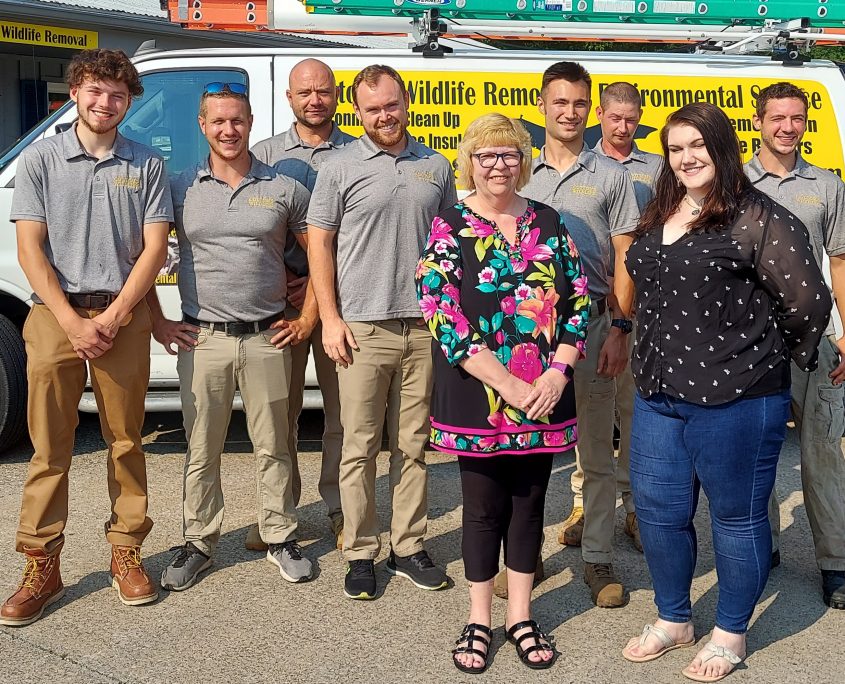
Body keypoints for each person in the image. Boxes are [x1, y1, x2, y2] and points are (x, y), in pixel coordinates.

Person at [622, 102, 830, 682]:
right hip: (658, 389)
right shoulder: (661, 208)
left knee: (735, 518)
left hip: (737, 397)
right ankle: (673, 619)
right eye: (675, 147)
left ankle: (731, 632)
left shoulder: (757, 217)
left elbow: (808, 302)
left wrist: (762, 355)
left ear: (722, 148)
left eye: (698, 145)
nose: (687, 157)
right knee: (660, 512)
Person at [1, 48, 172, 626]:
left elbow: (153, 250)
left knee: (126, 441)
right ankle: (42, 564)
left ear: (129, 103)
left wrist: (118, 315)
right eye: (96, 91)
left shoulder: (146, 164)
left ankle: (126, 550)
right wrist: (73, 323)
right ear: (74, 92)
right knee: (50, 448)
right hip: (56, 316)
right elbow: (29, 248)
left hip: (122, 319)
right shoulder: (41, 159)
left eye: (118, 95)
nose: (106, 103)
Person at [417, 113, 589, 672]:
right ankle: (478, 619)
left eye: (509, 154)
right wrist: (510, 383)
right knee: (482, 507)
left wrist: (557, 372)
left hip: (544, 391)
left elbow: (578, 303)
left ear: (524, 160)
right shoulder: (450, 223)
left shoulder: (549, 221)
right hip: (481, 392)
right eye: (487, 156)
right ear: (470, 161)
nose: (498, 165)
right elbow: (441, 311)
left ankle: (520, 616)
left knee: (530, 502)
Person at [149, 82, 314, 590]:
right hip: (205, 339)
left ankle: (279, 534)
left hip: (267, 337)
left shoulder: (283, 186)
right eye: (217, 121)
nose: (228, 130)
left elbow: (323, 255)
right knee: (203, 446)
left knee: (274, 444)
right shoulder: (179, 187)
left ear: (249, 124)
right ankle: (199, 540)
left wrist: (308, 317)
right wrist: (157, 319)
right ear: (202, 126)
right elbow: (145, 253)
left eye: (237, 120)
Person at [308, 65, 457, 600]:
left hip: (422, 328)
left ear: (406, 101)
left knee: (414, 445)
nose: (383, 116)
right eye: (372, 109)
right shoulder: (339, 167)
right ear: (358, 112)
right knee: (359, 446)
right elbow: (319, 244)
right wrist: (329, 318)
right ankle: (361, 551)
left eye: (391, 105)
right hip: (362, 328)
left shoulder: (435, 166)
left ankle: (409, 544)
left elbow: (449, 243)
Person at [521, 61, 641, 608]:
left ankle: (597, 559)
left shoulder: (611, 177)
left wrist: (620, 325)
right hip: (528, 329)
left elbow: (625, 256)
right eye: (559, 102)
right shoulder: (517, 170)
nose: (568, 113)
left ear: (589, 110)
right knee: (526, 451)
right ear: (541, 104)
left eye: (577, 104)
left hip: (594, 324)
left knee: (595, 450)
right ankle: (524, 559)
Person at [248, 58, 355, 552]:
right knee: (279, 415)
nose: (315, 99)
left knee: (342, 415)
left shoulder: (358, 154)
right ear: (289, 98)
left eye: (324, 91)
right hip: (280, 304)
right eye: (304, 92)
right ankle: (280, 513)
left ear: (337, 96)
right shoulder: (262, 156)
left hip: (342, 305)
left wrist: (319, 296)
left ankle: (338, 508)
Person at [746, 81, 845, 608]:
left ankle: (836, 562)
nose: (787, 127)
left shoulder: (826, 185)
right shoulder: (736, 183)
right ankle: (765, 548)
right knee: (756, 451)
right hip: (752, 342)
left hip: (816, 337)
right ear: (759, 121)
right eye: (777, 117)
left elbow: (841, 261)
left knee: (824, 452)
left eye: (797, 118)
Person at [557, 81, 665, 554]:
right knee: (591, 414)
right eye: (615, 117)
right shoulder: (584, 168)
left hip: (644, 310)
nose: (623, 127)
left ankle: (635, 506)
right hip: (595, 310)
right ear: (600, 114)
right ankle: (584, 502)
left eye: (632, 118)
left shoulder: (657, 169)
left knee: (634, 411)